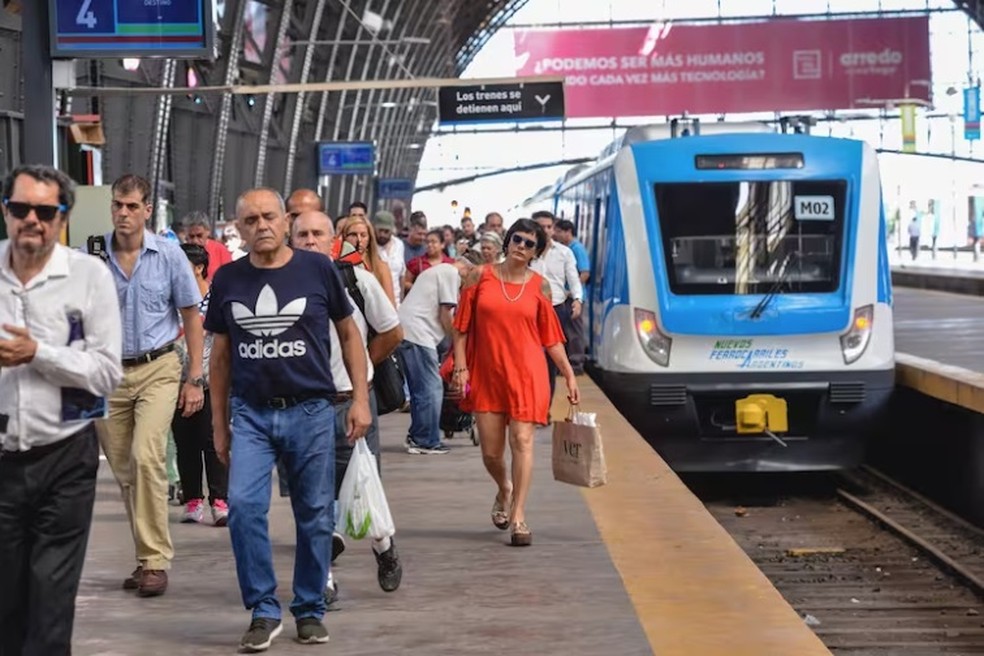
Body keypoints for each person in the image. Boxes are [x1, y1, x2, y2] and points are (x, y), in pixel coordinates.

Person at [207, 187, 371, 651]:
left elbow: (349, 333)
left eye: (269, 217)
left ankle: (309, 608)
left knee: (316, 515)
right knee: (242, 510)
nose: (261, 226)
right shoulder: (229, 279)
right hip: (252, 414)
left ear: (285, 221)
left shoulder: (317, 268)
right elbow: (219, 358)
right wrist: (219, 425)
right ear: (238, 230)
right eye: (251, 220)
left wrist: (359, 399)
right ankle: (262, 609)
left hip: (312, 410)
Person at [0, 164, 123, 654]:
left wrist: (39, 355)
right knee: (6, 603)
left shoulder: (87, 276)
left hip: (64, 457)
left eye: (45, 211)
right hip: (4, 458)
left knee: (51, 599)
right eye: (20, 208)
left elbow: (106, 371)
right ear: (5, 211)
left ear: (63, 217)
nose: (32, 219)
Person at [99, 173, 205, 598]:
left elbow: (192, 317)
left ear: (147, 210)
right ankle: (145, 559)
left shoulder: (169, 256)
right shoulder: (92, 254)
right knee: (125, 472)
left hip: (159, 366)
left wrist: (193, 377)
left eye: (131, 206)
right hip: (107, 374)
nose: (123, 213)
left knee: (147, 457)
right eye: (117, 205)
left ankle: (157, 561)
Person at [292, 210, 404, 598]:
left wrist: (362, 375)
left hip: (349, 402)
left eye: (317, 234)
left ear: (333, 240)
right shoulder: (280, 283)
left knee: (361, 487)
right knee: (313, 496)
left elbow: (391, 331)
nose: (309, 241)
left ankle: (384, 547)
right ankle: (322, 579)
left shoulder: (356, 279)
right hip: (303, 407)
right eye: (301, 234)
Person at [451, 218, 580, 547]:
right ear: (508, 241)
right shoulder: (479, 277)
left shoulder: (540, 287)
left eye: (530, 244)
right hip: (488, 373)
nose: (522, 247)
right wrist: (461, 368)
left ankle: (519, 516)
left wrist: (567, 373)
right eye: (518, 240)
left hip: (528, 373)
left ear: (536, 252)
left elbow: (550, 338)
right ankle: (504, 488)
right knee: (492, 453)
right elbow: (461, 327)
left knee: (522, 440)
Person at [397, 252, 480, 455]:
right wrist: (457, 343)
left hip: (410, 331)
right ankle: (426, 440)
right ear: (467, 270)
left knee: (420, 390)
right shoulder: (450, 273)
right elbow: (446, 314)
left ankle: (418, 435)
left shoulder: (440, 271)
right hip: (418, 333)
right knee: (431, 389)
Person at [172, 243, 229, 525]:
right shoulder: (172, 300)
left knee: (212, 440)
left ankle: (220, 500)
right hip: (177, 382)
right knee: (186, 442)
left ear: (198, 267)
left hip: (212, 380)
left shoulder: (217, 299)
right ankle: (193, 499)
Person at [182, 210, 233, 279]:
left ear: (208, 231)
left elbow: (229, 277)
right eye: (191, 236)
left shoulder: (220, 250)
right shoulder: (181, 253)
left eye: (199, 236)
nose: (195, 241)